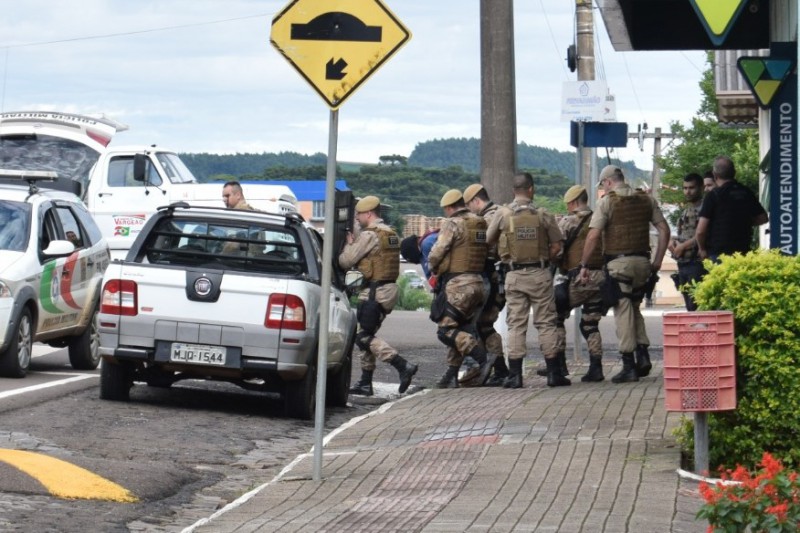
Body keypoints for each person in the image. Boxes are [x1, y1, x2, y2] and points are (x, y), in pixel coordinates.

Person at [578, 165, 670, 383]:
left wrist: (584, 264)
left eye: (602, 185)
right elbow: (664, 230)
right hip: (643, 263)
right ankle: (644, 354)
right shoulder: (646, 199)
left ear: (608, 182)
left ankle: (628, 365)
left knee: (623, 311)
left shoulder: (607, 202)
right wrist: (657, 261)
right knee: (634, 308)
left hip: (619, 265)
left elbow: (593, 236)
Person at [486, 172, 568, 388]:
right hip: (539, 274)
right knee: (546, 323)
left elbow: (488, 240)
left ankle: (514, 376)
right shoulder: (543, 215)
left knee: (516, 324)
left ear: (514, 190)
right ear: (531, 189)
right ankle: (553, 374)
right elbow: (557, 245)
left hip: (514, 275)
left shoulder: (503, 214)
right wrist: (544, 260)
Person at [338, 195, 418, 396]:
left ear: (369, 213)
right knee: (367, 334)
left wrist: (349, 244)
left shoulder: (370, 235)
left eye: (359, 214)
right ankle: (365, 383)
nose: (357, 218)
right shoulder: (390, 232)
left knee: (362, 336)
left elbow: (345, 261)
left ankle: (402, 365)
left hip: (375, 291)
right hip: (387, 289)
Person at [427, 189, 494, 388]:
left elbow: (437, 252)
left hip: (458, 285)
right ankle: (451, 375)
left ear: (449, 207)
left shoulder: (452, 223)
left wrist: (432, 266)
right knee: (460, 329)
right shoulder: (479, 222)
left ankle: (482, 358)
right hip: (479, 283)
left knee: (445, 331)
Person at [551, 185, 606, 382]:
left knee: (555, 316)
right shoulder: (600, 219)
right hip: (601, 277)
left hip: (579, 277)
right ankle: (596, 367)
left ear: (573, 203)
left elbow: (557, 249)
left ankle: (557, 365)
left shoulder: (568, 221)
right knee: (590, 323)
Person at [462, 183, 510, 386]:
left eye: (469, 205)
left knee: (483, 324)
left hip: (493, 276)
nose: (469, 209)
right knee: (484, 324)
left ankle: (501, 370)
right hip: (501, 275)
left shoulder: (488, 218)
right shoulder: (501, 212)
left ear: (476, 200)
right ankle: (500, 370)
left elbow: (484, 249)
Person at [695, 155, 769, 262]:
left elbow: (700, 231)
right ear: (734, 172)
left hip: (719, 253)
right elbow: (763, 218)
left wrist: (702, 249)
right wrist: (743, 222)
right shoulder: (746, 192)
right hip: (743, 252)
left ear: (715, 175)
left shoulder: (713, 196)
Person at [668, 172, 705, 311]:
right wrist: (672, 241)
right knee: (690, 307)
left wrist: (683, 246)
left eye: (691, 188)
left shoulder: (706, 208)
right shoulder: (686, 210)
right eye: (685, 188)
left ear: (700, 188)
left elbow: (704, 234)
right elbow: (682, 233)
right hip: (684, 263)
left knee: (698, 307)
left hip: (697, 263)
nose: (687, 191)